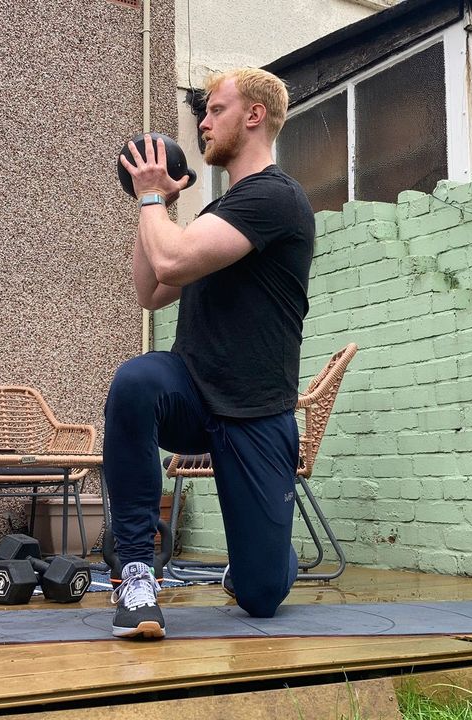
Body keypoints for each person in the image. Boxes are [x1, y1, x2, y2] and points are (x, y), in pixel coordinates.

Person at [104, 67, 314, 639]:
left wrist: (152, 196)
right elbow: (152, 291)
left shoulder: (274, 198)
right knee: (135, 382)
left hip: (256, 409)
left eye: (215, 109)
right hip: (191, 391)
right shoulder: (217, 215)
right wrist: (156, 207)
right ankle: (137, 573)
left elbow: (171, 262)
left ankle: (263, 561)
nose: (203, 121)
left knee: (261, 595)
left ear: (254, 115)